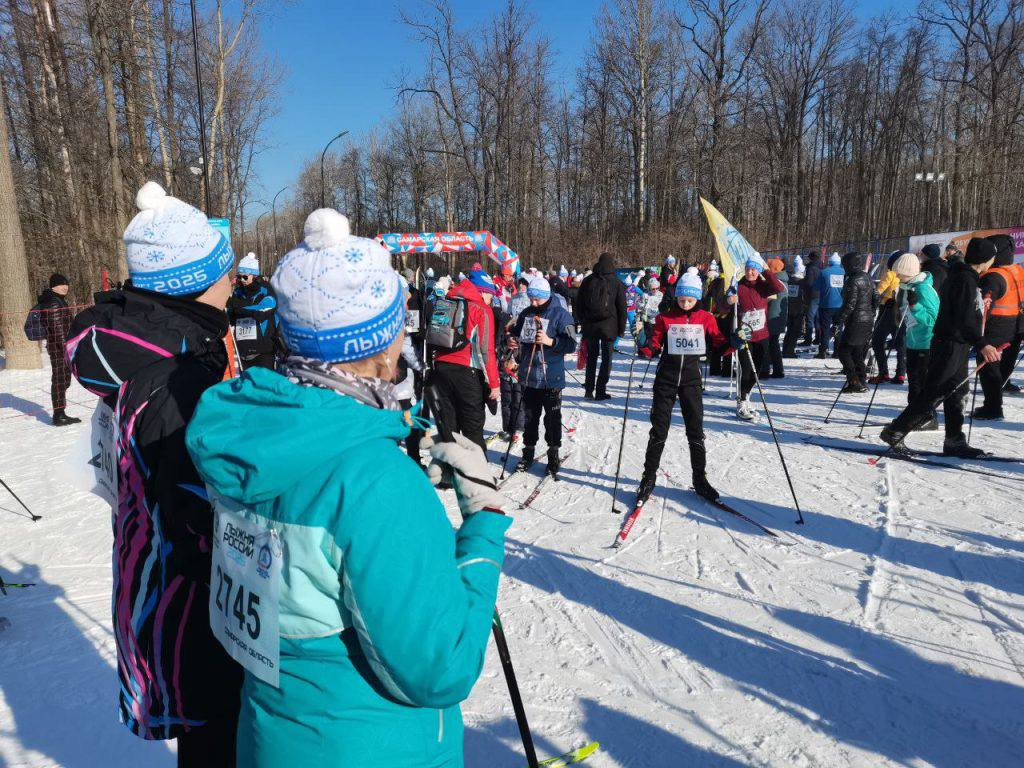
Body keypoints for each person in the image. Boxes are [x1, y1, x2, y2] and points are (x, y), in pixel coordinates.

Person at [185, 207, 512, 767]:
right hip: (373, 746)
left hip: (273, 736)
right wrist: (483, 527)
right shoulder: (375, 483)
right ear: (385, 349)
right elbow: (441, 668)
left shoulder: (248, 436)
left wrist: (392, 428)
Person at [65, 182, 242, 764]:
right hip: (191, 601)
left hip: (159, 575)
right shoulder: (178, 371)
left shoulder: (147, 343)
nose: (235, 280)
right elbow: (200, 509)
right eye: (227, 270)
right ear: (197, 281)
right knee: (216, 733)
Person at [882, 237, 1002, 457]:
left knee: (958, 391)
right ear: (986, 259)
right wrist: (982, 344)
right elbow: (965, 317)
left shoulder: (966, 276)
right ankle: (895, 430)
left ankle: (954, 439)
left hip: (958, 344)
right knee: (934, 390)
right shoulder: (964, 279)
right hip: (949, 343)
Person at [635, 268, 727, 503]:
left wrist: (734, 341)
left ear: (697, 298)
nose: (685, 304)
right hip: (666, 379)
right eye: (681, 299)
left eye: (690, 299)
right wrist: (644, 345)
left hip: (691, 381)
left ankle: (700, 479)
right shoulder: (665, 317)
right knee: (659, 430)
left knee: (695, 430)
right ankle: (648, 477)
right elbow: (654, 345)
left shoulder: (706, 318)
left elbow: (719, 343)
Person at [508, 276, 577, 477]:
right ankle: (528, 453)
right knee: (530, 417)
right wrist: (513, 341)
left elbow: (572, 344)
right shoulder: (527, 313)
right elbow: (516, 332)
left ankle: (553, 455)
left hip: (551, 377)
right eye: (531, 298)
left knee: (552, 419)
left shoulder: (561, 314)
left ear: (546, 296)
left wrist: (550, 341)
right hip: (529, 375)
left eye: (537, 299)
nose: (533, 302)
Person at [429, 266, 500, 451]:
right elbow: (486, 350)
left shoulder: (448, 299)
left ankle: (447, 476)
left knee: (448, 428)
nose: (491, 299)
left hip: (441, 368)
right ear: (483, 291)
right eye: (491, 294)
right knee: (472, 430)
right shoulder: (482, 309)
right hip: (466, 373)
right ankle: (477, 477)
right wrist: (494, 383)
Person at [974, 234, 1023, 420]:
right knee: (1003, 366)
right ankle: (995, 402)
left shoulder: (993, 276)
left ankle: (993, 407)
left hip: (997, 325)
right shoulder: (1017, 269)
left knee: (988, 364)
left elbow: (983, 308)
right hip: (1017, 324)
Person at [730, 257, 785, 420]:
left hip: (762, 335)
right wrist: (729, 300)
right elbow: (724, 304)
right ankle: (741, 401)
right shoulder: (737, 286)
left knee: (758, 370)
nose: (750, 272)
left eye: (754, 269)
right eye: (748, 269)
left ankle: (746, 397)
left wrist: (766, 270)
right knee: (745, 370)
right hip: (744, 336)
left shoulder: (763, 286)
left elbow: (778, 287)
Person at [893, 253, 940, 430]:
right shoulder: (909, 287)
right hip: (914, 341)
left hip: (926, 343)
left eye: (899, 272)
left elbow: (933, 319)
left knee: (922, 385)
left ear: (908, 271)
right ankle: (914, 416)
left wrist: (916, 306)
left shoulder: (923, 289)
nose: (896, 276)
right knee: (914, 384)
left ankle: (927, 418)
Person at [574, 252, 627, 400]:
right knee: (606, 359)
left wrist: (582, 320)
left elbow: (579, 304)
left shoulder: (588, 280)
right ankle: (600, 390)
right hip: (609, 326)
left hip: (590, 325)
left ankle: (589, 389)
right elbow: (622, 307)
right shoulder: (616, 282)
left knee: (591, 357)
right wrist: (621, 329)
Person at [227, 253, 282, 370]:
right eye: (239, 277)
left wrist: (238, 309)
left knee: (264, 386)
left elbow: (263, 311)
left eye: (245, 277)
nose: (242, 280)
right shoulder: (238, 292)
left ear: (254, 275)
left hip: (263, 351)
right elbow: (231, 314)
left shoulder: (266, 289)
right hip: (243, 351)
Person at [38, 273, 79, 426]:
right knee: (60, 380)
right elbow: (57, 329)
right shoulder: (53, 303)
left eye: (66, 284)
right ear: (53, 286)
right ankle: (59, 415)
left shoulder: (57, 300)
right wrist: (66, 347)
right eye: (61, 284)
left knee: (63, 380)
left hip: (62, 347)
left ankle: (60, 412)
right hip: (59, 349)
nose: (65, 287)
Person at [835, 252, 878, 393]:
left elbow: (850, 305)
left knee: (844, 351)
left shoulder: (853, 280)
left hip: (856, 320)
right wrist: (871, 313)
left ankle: (854, 380)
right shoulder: (867, 277)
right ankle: (861, 380)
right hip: (866, 319)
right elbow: (876, 298)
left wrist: (838, 321)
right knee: (857, 351)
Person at [869, 252, 908, 385]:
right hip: (903, 311)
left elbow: (879, 291)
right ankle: (901, 373)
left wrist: (873, 296)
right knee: (901, 342)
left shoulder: (891, 273)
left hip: (888, 309)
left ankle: (883, 372)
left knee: (877, 340)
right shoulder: (908, 276)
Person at [815, 253, 845, 358]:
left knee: (825, 328)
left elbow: (816, 287)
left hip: (826, 304)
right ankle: (837, 351)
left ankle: (823, 350)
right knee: (838, 328)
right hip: (840, 305)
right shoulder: (844, 272)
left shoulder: (824, 272)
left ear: (830, 262)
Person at [765, 258, 788, 378]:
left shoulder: (775, 282)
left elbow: (768, 299)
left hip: (772, 317)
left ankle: (776, 370)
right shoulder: (784, 280)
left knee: (771, 344)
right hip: (778, 317)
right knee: (773, 344)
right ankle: (777, 369)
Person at [782, 257, 806, 357]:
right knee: (795, 331)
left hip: (789, 308)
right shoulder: (802, 282)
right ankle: (790, 351)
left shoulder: (789, 280)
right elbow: (804, 297)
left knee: (789, 330)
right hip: (798, 309)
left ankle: (785, 349)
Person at [803, 252, 822, 345]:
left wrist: (805, 293)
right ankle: (818, 338)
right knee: (817, 319)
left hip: (812, 296)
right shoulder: (821, 267)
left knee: (810, 318)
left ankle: (808, 339)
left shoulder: (810, 268)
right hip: (820, 295)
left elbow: (809, 283)